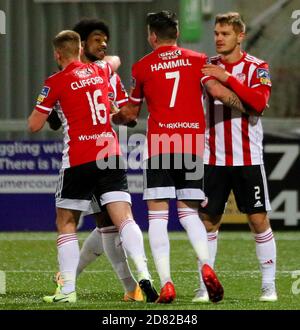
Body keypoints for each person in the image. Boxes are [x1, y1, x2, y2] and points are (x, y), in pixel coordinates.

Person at [112, 11, 249, 303]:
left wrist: (116, 116)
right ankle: (207, 266)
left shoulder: (143, 67)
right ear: (176, 34)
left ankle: (167, 283)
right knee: (189, 214)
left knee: (158, 217)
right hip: (191, 143)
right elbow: (220, 93)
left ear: (152, 36)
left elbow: (131, 114)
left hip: (161, 143)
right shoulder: (199, 60)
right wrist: (248, 105)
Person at [28, 30, 158, 303]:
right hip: (109, 155)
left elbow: (34, 125)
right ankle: (144, 274)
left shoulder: (54, 82)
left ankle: (67, 291)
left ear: (56, 55)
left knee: (66, 223)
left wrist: (45, 103)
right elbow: (114, 61)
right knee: (123, 220)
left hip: (78, 158)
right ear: (79, 50)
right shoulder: (99, 72)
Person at [48, 19, 143, 302]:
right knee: (106, 224)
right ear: (80, 45)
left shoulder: (109, 75)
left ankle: (72, 283)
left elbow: (128, 113)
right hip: (82, 157)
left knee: (106, 224)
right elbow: (53, 120)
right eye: (97, 39)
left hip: (104, 155)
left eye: (105, 40)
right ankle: (125, 287)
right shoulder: (66, 75)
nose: (103, 44)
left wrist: (121, 112)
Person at [193, 12, 277, 303]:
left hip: (248, 158)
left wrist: (227, 78)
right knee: (208, 222)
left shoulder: (258, 68)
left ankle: (269, 286)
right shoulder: (206, 67)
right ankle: (204, 287)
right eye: (216, 33)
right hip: (212, 158)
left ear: (240, 36)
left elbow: (259, 104)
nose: (218, 38)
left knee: (257, 219)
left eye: (225, 33)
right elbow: (244, 102)